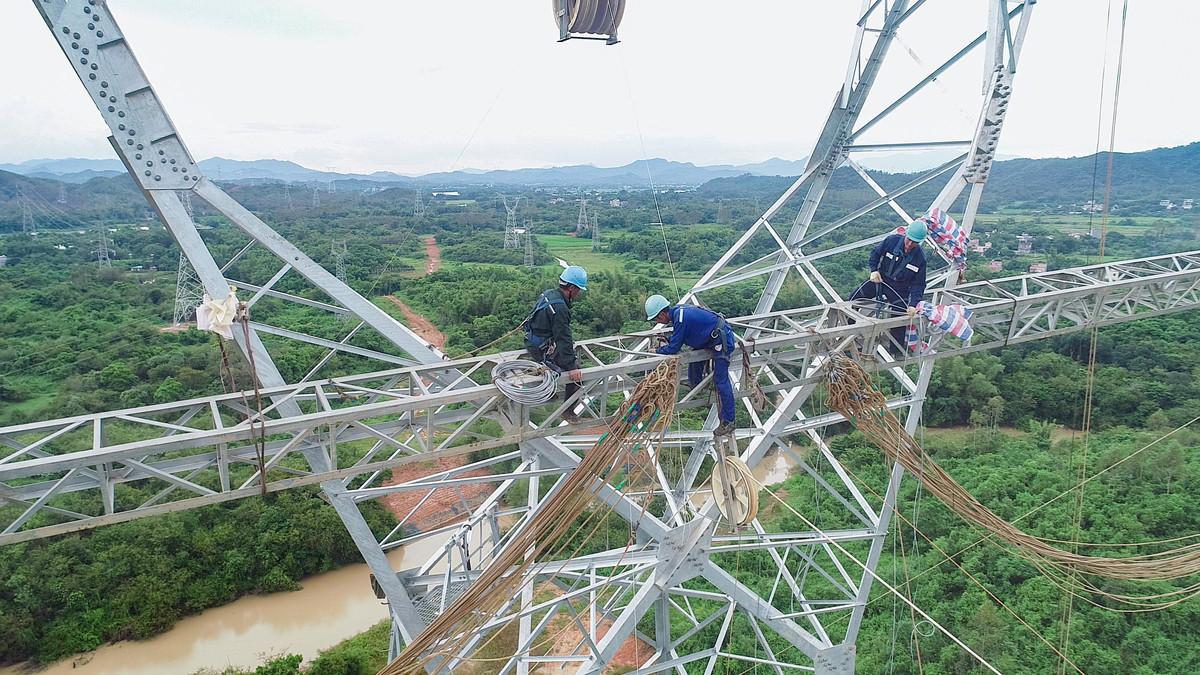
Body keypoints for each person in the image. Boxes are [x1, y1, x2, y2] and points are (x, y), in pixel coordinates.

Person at [644, 295, 737, 436]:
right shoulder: (679, 313)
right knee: (695, 361)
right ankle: (697, 385)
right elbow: (680, 337)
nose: (658, 322)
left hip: (721, 341)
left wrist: (656, 351)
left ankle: (729, 421)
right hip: (710, 339)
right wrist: (669, 340)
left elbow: (673, 349)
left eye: (657, 318)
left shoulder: (680, 318)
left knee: (721, 381)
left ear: (663, 313)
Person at [850, 221, 928, 350]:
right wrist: (874, 270)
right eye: (909, 240)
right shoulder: (891, 241)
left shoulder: (920, 258)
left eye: (914, 242)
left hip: (900, 288)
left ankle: (895, 349)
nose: (909, 244)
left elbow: (918, 284)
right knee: (854, 299)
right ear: (905, 235)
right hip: (881, 279)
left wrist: (913, 304)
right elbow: (875, 254)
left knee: (900, 316)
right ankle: (849, 332)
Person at [523, 265, 588, 421]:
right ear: (571, 288)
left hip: (532, 341)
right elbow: (563, 337)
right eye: (578, 290)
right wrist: (572, 367)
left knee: (564, 361)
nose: (578, 293)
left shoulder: (549, 294)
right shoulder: (559, 308)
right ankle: (568, 410)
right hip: (541, 348)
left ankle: (550, 393)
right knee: (576, 376)